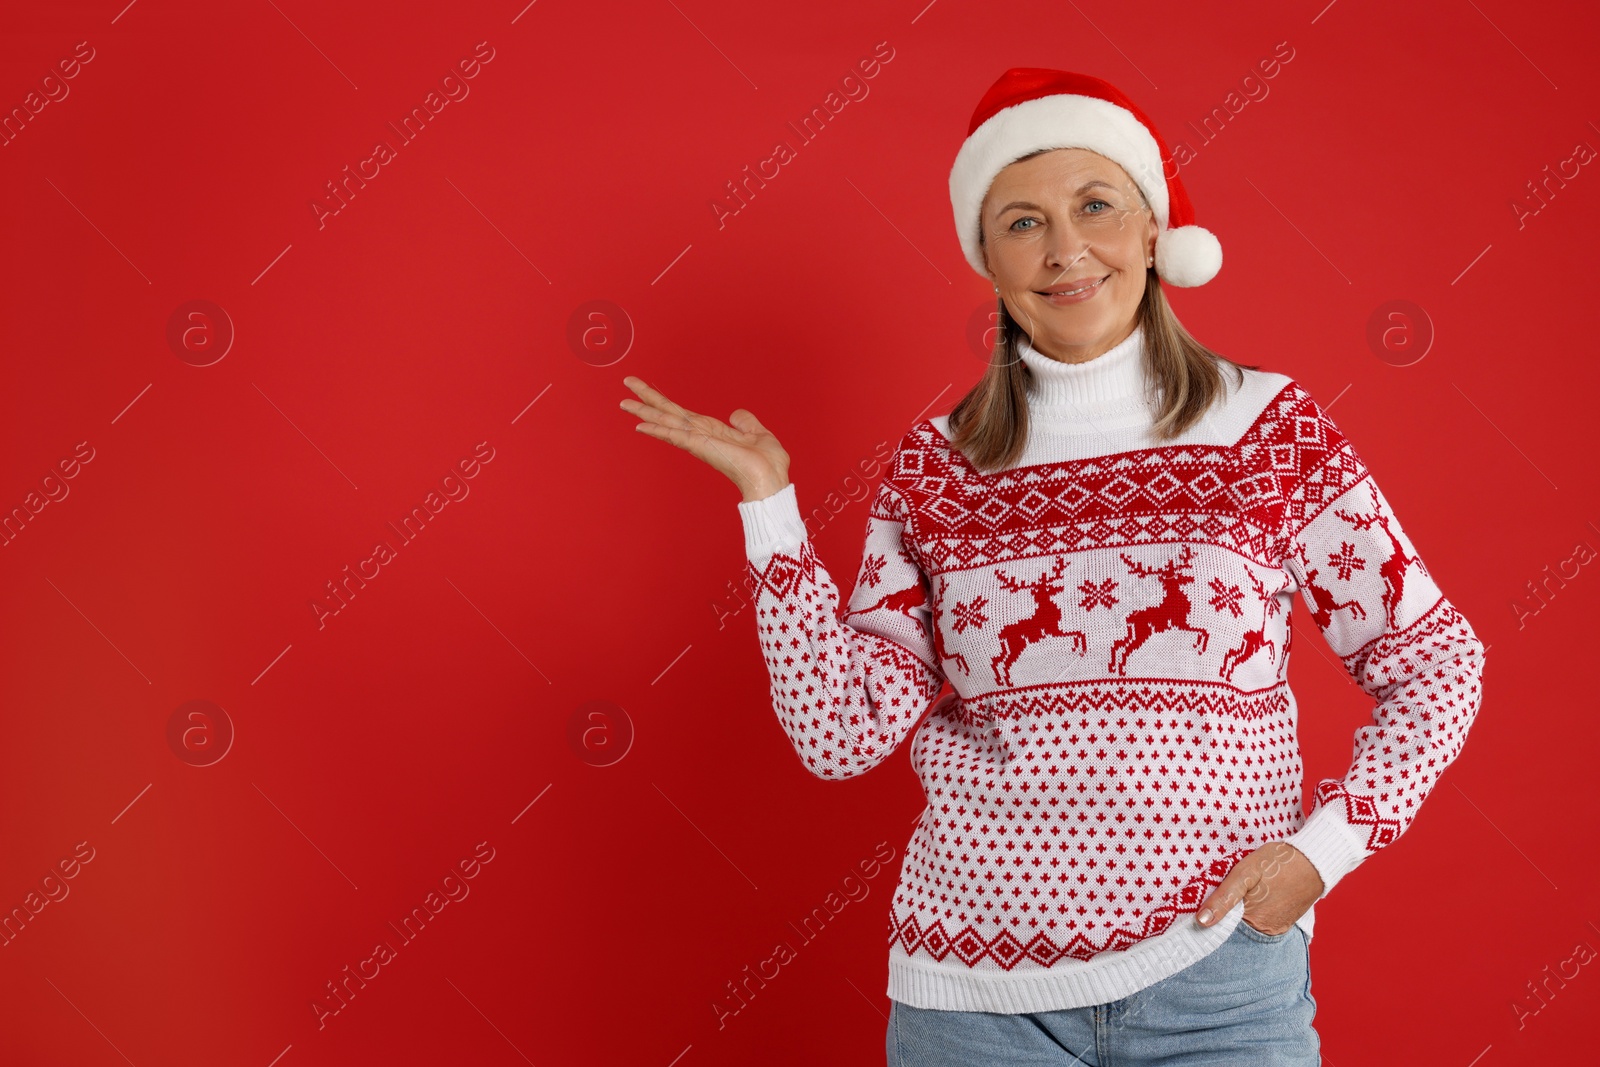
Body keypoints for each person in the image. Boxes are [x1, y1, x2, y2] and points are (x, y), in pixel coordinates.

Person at [620, 67, 1485, 1066]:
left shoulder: (1266, 431)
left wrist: (1322, 853)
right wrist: (769, 507)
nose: (1066, 248)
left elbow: (1436, 664)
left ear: (1153, 230)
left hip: (1217, 977)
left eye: (1095, 206)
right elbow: (839, 734)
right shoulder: (937, 465)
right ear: (984, 256)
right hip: (974, 999)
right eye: (1022, 221)